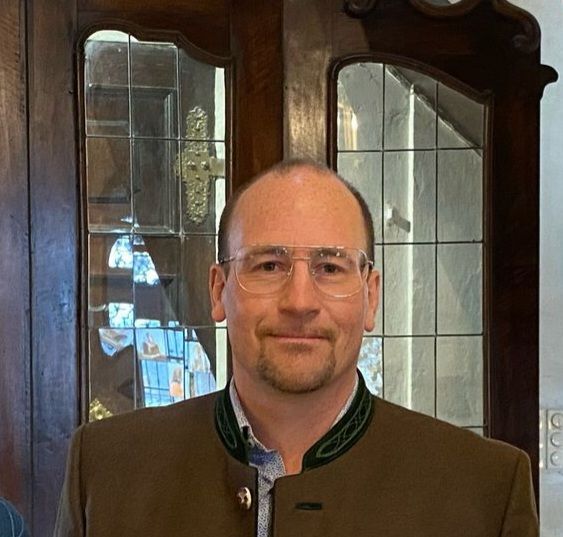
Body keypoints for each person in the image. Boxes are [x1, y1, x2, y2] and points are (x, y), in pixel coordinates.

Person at [54, 159, 538, 537]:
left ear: (371, 296)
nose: (300, 302)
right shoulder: (107, 471)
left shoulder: (486, 489)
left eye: (330, 268)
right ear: (219, 290)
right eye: (268, 265)